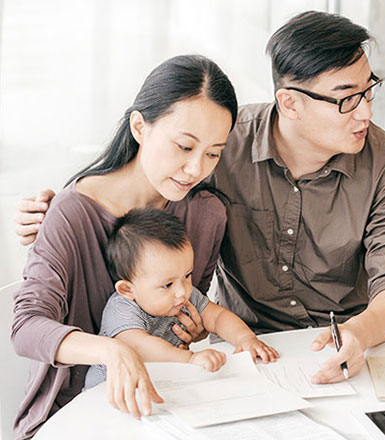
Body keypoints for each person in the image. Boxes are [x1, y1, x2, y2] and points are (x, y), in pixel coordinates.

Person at [14, 12, 385, 387]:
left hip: (330, 350)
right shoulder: (226, 146)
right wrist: (52, 208)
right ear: (289, 102)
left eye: (368, 91)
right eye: (346, 99)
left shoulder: (205, 203)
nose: (197, 169)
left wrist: (361, 332)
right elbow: (130, 173)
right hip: (197, 373)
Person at [11, 54, 238, 439]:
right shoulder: (70, 212)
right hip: (77, 415)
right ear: (139, 127)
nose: (196, 169)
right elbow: (27, 328)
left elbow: (184, 312)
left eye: (212, 153)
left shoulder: (206, 214)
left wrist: (192, 328)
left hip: (172, 401)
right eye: (184, 146)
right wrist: (113, 350)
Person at [84, 208, 279, 389]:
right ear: (128, 289)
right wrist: (189, 359)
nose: (182, 292)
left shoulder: (182, 294)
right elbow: (139, 347)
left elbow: (218, 317)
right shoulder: (122, 308)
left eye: (187, 275)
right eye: (167, 285)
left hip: (158, 386)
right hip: (107, 392)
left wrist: (245, 338)